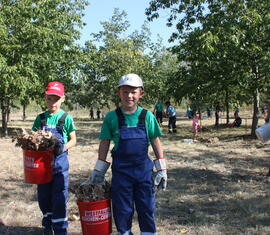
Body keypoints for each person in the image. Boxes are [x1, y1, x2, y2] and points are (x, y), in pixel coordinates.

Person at [86, 73, 167, 235]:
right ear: (119, 93)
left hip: (143, 172)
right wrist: (99, 169)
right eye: (125, 92)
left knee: (146, 207)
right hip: (121, 173)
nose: (129, 96)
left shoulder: (147, 116)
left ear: (141, 93)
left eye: (133, 92)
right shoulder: (112, 117)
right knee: (122, 209)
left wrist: (162, 167)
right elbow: (105, 142)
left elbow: (155, 140)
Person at [32, 81, 76, 235]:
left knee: (59, 196)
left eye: (56, 99)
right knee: (44, 196)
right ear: (45, 98)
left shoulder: (66, 118)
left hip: (59, 166)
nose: (52, 102)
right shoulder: (41, 118)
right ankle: (48, 225)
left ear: (62, 99)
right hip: (43, 167)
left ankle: (60, 229)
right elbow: (33, 137)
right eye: (49, 98)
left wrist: (62, 147)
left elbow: (73, 140)